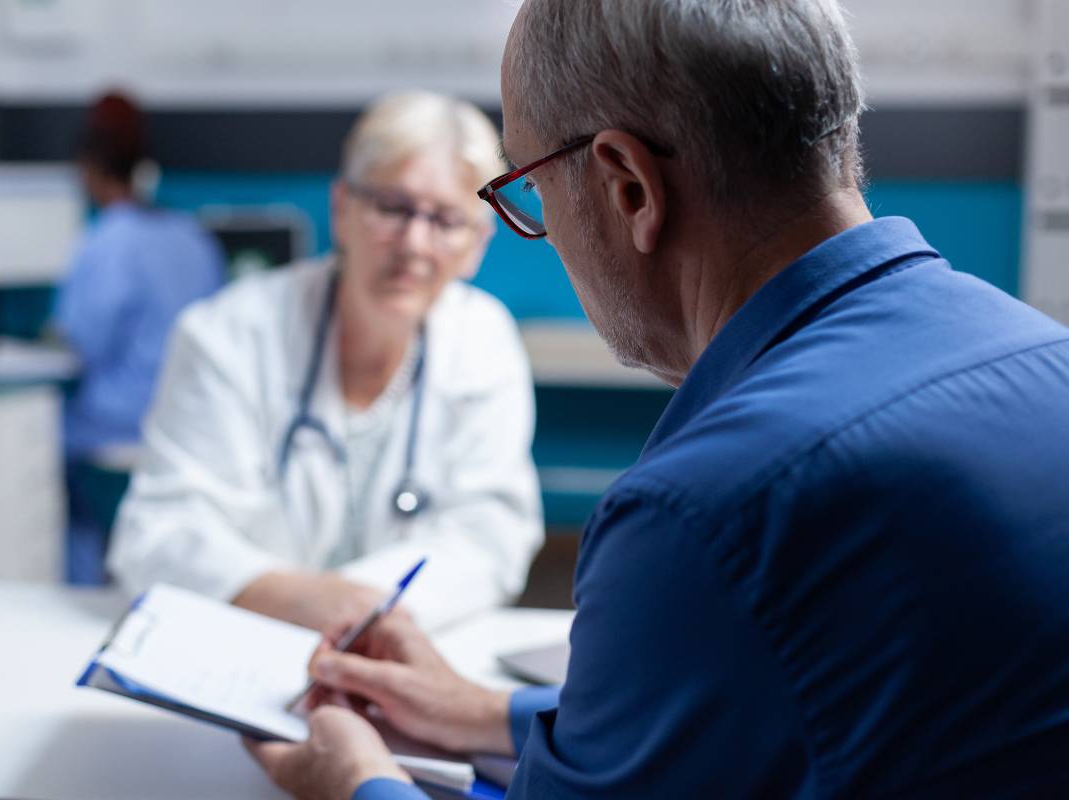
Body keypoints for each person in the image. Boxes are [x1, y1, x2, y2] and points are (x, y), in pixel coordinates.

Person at [245, 1, 1069, 797]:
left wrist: (355, 780)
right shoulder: (1049, 359)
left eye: (531, 191)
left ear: (629, 187)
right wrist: (487, 714)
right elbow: (829, 693)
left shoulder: (703, 514)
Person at [108, 91, 544, 632]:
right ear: (341, 210)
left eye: (446, 220)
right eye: (392, 208)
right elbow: (161, 532)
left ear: (478, 243)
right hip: (239, 638)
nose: (414, 242)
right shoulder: (228, 334)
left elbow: (491, 533)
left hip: (407, 641)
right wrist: (308, 602)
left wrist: (362, 611)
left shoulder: (483, 341)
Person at [55, 92, 226, 584]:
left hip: (117, 423)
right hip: (184, 420)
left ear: (90, 170)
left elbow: (81, 344)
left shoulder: (108, 241)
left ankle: (79, 582)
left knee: (45, 448)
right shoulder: (191, 235)